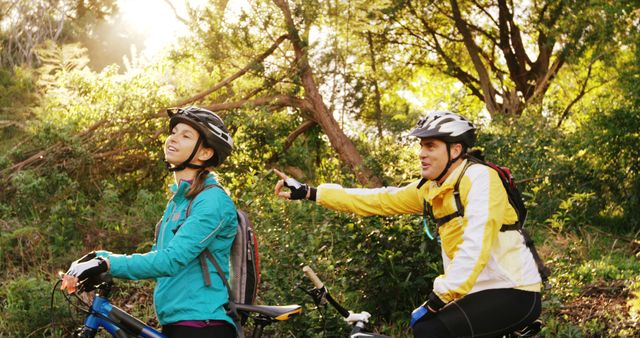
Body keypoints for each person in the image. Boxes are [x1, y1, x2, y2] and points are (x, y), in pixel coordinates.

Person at [274, 111, 542, 337]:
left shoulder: (480, 179)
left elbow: (476, 243)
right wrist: (311, 192)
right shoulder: (432, 188)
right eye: (421, 146)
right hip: (475, 294)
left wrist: (440, 296)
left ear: (456, 149)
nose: (422, 154)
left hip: (513, 290)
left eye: (431, 146)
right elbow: (378, 200)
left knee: (428, 329)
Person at [62, 106, 238, 338]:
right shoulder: (179, 202)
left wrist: (108, 264)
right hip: (178, 322)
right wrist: (99, 257)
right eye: (173, 132)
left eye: (185, 135)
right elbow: (157, 261)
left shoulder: (212, 201)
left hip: (203, 325)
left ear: (204, 153)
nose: (173, 139)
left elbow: (170, 260)